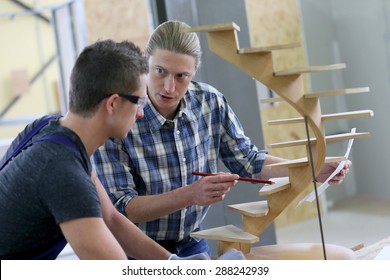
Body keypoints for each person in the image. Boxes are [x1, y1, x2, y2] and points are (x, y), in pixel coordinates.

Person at [92, 21, 354, 259]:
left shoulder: (210, 102)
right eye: (160, 71)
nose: (169, 87)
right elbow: (123, 208)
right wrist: (190, 195)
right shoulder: (120, 114)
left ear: (194, 72)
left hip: (192, 241)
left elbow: (249, 161)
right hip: (134, 249)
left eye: (181, 76)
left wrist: (311, 170)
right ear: (145, 63)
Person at [0, 38, 243, 260]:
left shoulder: (50, 130)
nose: (140, 113)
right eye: (140, 102)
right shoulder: (63, 172)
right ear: (113, 103)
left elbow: (112, 219)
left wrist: (173, 264)